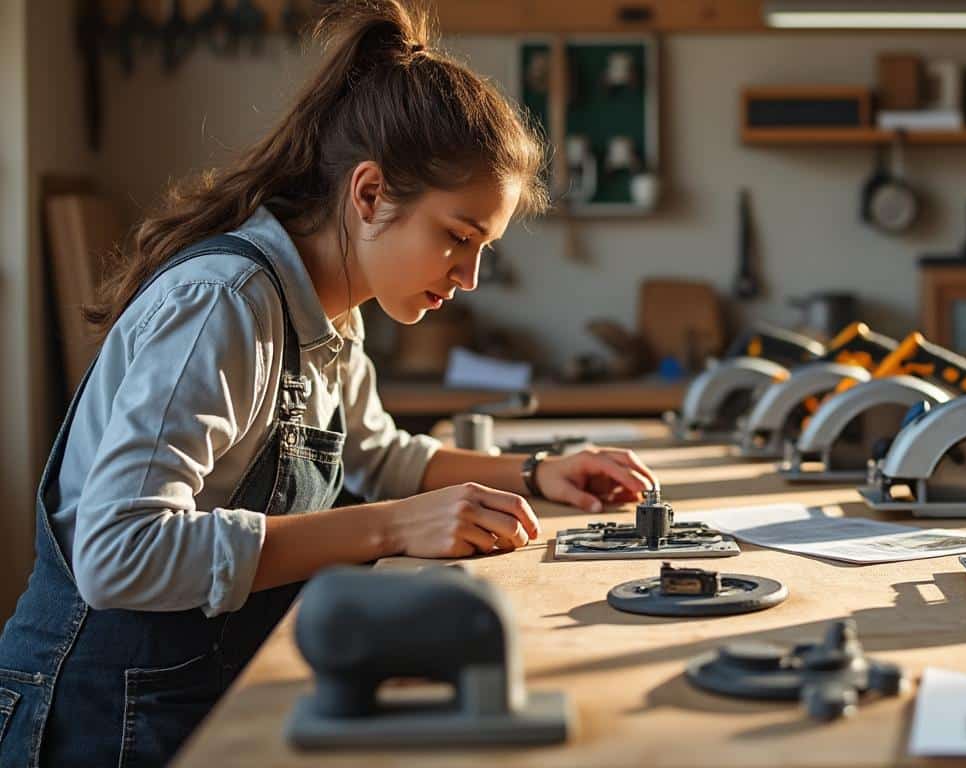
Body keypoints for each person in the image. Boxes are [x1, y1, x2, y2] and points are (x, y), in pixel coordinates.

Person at [0, 2, 657, 765]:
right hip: (96, 712)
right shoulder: (227, 304)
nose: (470, 277)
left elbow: (382, 457)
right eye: (457, 237)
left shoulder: (331, 311)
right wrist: (393, 527)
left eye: (484, 250)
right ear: (370, 195)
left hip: (197, 690)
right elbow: (119, 553)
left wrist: (541, 472)